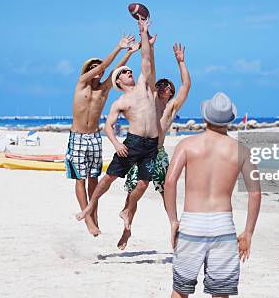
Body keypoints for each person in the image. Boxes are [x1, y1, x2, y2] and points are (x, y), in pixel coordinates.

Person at [164, 92, 261, 298]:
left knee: (180, 290)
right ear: (230, 119)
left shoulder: (187, 145)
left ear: (205, 116)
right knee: (220, 292)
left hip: (192, 222)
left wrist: (173, 221)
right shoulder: (242, 151)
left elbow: (170, 182)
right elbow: (255, 192)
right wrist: (248, 232)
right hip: (223, 225)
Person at [76, 18, 158, 236]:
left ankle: (126, 212)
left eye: (130, 71)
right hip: (131, 144)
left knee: (142, 185)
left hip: (151, 145)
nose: (129, 72)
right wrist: (116, 143)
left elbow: (146, 60)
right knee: (108, 178)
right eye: (124, 72)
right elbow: (108, 126)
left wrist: (144, 35)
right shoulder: (118, 102)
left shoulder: (144, 87)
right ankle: (90, 207)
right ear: (118, 81)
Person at [117, 42, 191, 249]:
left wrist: (181, 62)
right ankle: (127, 227)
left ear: (170, 92)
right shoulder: (148, 100)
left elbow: (186, 86)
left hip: (157, 153)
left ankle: (174, 227)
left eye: (166, 86)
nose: (162, 87)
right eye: (160, 84)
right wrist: (150, 47)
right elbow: (149, 68)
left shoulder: (171, 107)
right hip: (141, 150)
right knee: (133, 191)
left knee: (166, 190)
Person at [67, 34, 139, 236]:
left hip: (94, 138)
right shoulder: (81, 83)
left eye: (98, 68)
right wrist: (118, 47)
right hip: (78, 137)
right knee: (80, 179)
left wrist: (129, 53)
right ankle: (88, 219)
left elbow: (115, 72)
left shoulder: (104, 90)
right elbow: (102, 68)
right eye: (93, 68)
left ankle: (93, 214)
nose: (97, 70)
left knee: (93, 179)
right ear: (87, 71)